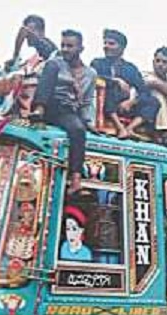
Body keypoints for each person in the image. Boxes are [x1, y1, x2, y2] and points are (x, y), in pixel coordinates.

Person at [32, 30, 96, 195]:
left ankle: (75, 181)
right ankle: (39, 109)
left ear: (81, 49)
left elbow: (87, 101)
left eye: (70, 46)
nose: (65, 49)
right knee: (52, 65)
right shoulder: (55, 64)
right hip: (50, 104)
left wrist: (88, 122)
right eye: (63, 45)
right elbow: (42, 81)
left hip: (67, 111)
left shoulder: (90, 74)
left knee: (78, 130)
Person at [90, 29, 158, 139]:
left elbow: (144, 91)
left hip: (124, 106)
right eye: (105, 43)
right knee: (109, 87)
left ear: (122, 48)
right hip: (105, 105)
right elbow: (92, 76)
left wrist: (131, 102)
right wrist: (116, 80)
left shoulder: (130, 68)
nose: (106, 46)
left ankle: (130, 128)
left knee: (153, 101)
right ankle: (120, 128)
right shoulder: (97, 63)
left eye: (111, 43)